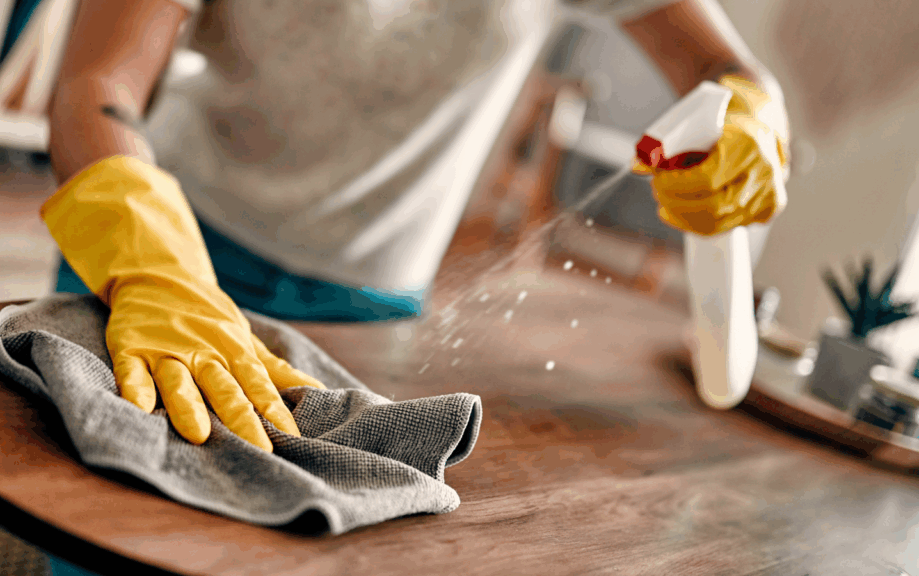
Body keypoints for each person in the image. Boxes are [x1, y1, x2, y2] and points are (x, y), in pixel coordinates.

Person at [43, 0, 790, 450]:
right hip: (154, 255)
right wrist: (154, 267)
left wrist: (754, 118)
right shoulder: (151, 263)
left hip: (373, 309)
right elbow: (97, 80)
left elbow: (730, 69)